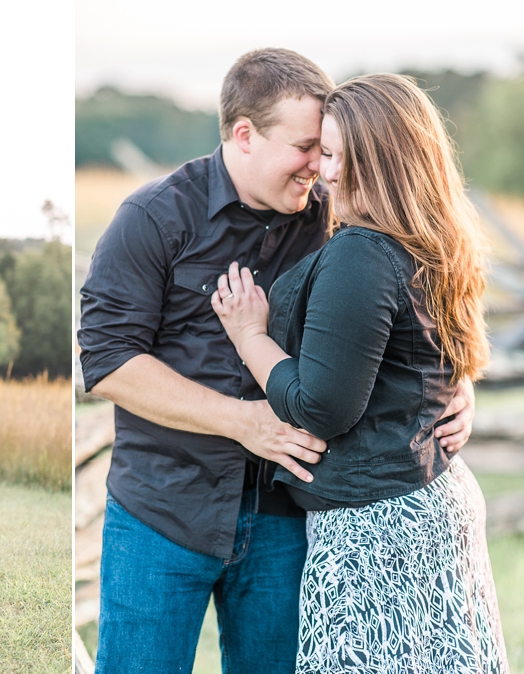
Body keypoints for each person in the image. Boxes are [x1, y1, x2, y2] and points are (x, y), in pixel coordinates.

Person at [77, 48, 476, 674]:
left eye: (326, 149)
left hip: (287, 519)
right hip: (163, 510)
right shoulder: (153, 217)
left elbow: (412, 302)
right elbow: (107, 362)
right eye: (305, 147)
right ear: (245, 136)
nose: (319, 166)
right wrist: (242, 421)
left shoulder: (340, 218)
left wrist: (456, 387)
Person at [212, 73, 507, 673]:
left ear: (393, 164)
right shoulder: (437, 240)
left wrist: (249, 337)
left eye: (347, 157)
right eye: (325, 152)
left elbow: (320, 406)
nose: (328, 172)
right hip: (431, 502)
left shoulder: (361, 251)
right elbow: (427, 355)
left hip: (378, 532)